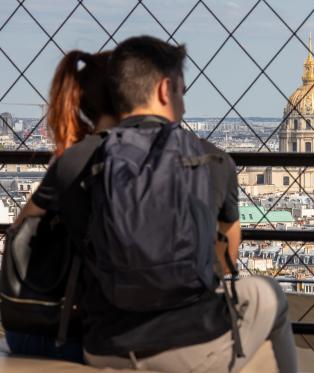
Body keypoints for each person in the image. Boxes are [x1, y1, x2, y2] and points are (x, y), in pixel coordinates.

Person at [16, 35, 298, 373]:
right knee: (269, 295)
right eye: (182, 91)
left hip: (104, 347)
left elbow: (24, 228)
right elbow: (225, 262)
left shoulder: (75, 161)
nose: (184, 104)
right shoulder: (214, 159)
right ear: (166, 90)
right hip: (194, 348)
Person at [6, 50, 117, 363]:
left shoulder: (72, 158)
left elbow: (20, 228)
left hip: (45, 324)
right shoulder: (136, 160)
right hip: (90, 331)